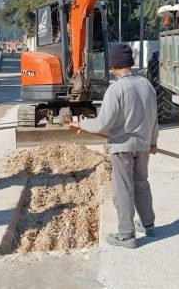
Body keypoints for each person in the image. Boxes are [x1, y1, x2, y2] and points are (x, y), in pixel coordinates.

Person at [69, 44, 158, 249]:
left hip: (122, 147)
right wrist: (153, 142)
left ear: (114, 66)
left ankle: (126, 234)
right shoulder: (147, 86)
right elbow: (154, 120)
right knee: (141, 183)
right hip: (143, 146)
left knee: (123, 188)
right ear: (131, 64)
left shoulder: (116, 89)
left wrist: (81, 124)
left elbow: (102, 124)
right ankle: (148, 225)